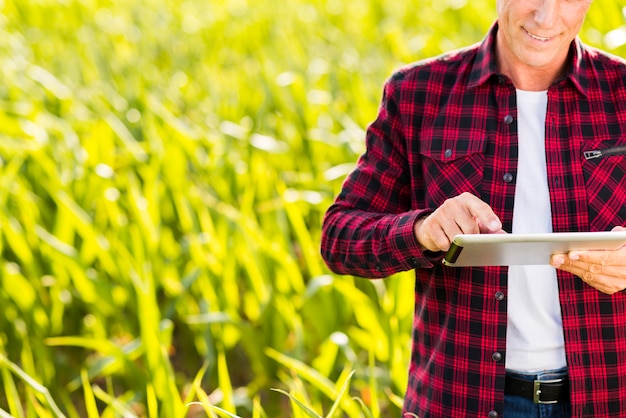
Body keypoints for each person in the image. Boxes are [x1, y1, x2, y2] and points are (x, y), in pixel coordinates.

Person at [320, 0, 626, 416]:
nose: (546, 16)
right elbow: (339, 238)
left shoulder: (621, 93)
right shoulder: (418, 93)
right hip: (460, 398)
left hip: (607, 398)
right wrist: (423, 230)